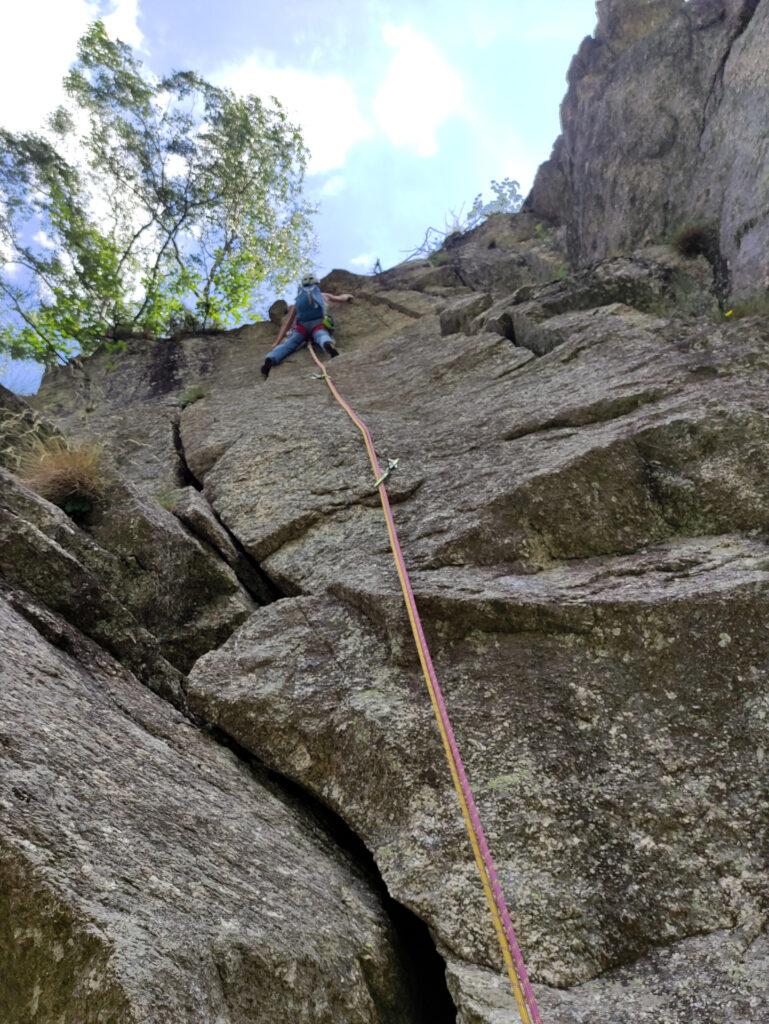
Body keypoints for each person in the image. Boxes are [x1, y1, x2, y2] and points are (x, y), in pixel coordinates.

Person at [261, 274, 353, 379]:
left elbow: (287, 324)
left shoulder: (297, 302)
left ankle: (271, 358)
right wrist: (348, 296)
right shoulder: (323, 296)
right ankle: (327, 343)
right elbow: (340, 298)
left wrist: (277, 341)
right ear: (316, 284)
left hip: (301, 328)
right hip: (318, 323)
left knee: (289, 344)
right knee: (321, 334)